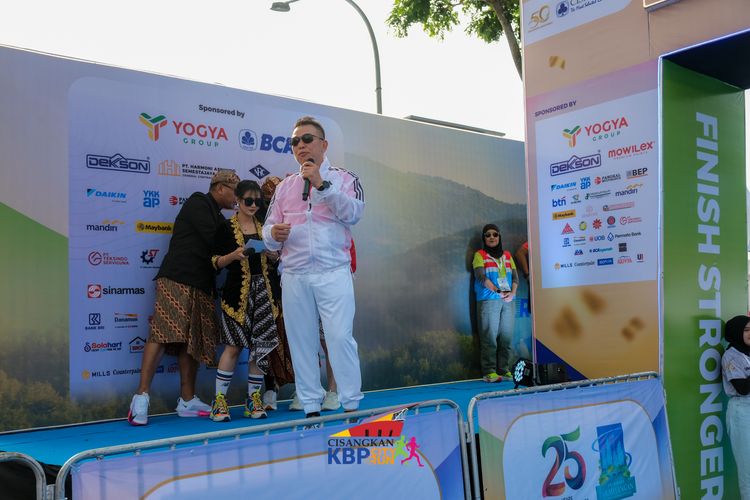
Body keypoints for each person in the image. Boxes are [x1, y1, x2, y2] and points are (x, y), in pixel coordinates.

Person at [262, 115, 364, 419]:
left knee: (339, 337)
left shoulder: (345, 179)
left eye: (307, 139)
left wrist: (322, 185)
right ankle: (310, 406)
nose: (300, 145)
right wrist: (273, 233)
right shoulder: (285, 187)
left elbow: (354, 213)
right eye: (295, 141)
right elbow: (267, 231)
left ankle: (351, 403)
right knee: (301, 342)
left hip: (333, 271)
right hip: (295, 275)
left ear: (324, 145)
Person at [128, 169, 240, 426]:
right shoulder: (198, 202)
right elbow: (216, 241)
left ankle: (187, 400)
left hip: (202, 283)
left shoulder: (219, 216)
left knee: (193, 340)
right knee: (162, 332)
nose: (237, 198)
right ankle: (140, 397)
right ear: (220, 188)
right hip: (178, 277)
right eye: (235, 192)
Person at [209, 180, 282, 422]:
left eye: (257, 201)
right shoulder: (225, 227)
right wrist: (233, 255)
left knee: (260, 347)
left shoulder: (265, 227)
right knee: (233, 347)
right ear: (237, 201)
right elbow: (214, 262)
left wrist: (273, 256)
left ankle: (254, 400)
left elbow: (277, 260)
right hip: (236, 296)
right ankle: (219, 402)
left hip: (264, 294)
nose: (253, 205)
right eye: (248, 200)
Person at [472, 224, 518, 383]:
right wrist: (497, 291)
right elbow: (481, 277)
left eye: (495, 234)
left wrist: (512, 293)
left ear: (499, 237)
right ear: (484, 238)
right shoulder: (480, 255)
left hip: (508, 301)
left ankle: (504, 370)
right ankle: (489, 372)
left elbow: (516, 278)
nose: (492, 237)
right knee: (489, 337)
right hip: (488, 300)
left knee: (507, 337)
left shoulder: (508, 255)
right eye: (488, 235)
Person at [722, 315, 750, 498]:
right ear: (737, 332)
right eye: (746, 330)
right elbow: (743, 388)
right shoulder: (731, 355)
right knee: (748, 470)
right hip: (742, 412)